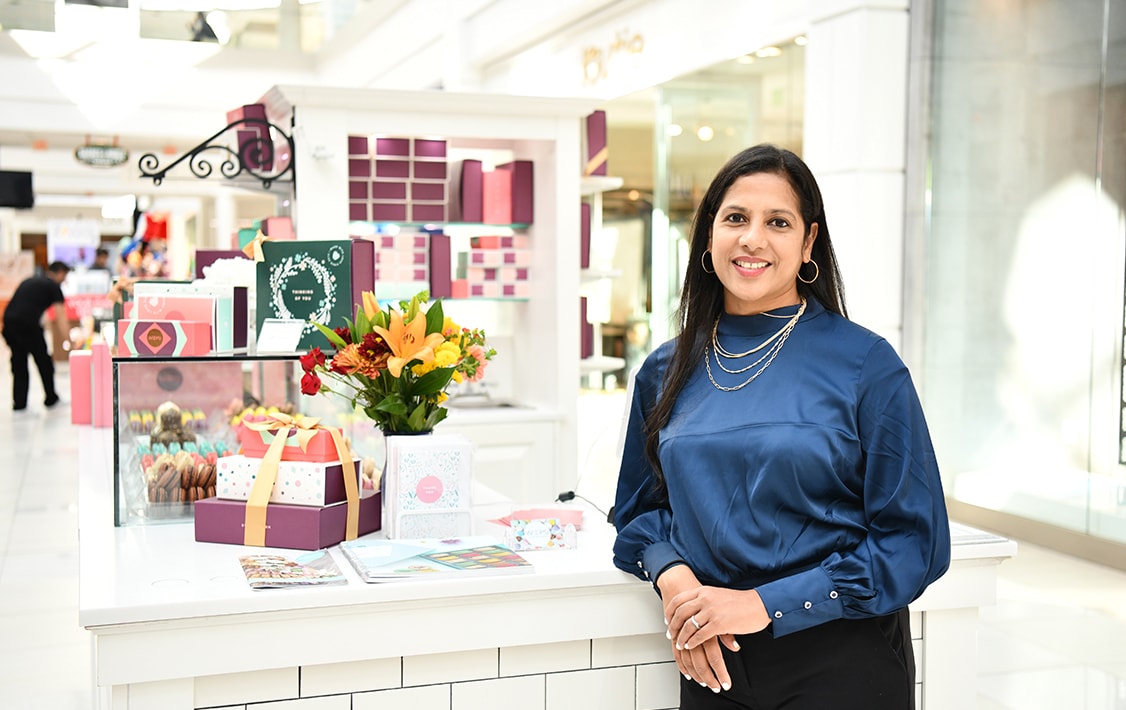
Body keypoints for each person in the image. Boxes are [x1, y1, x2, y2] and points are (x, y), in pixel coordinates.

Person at [612, 144, 951, 709]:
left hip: (841, 662)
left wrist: (764, 604)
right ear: (709, 236)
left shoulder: (866, 364)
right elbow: (639, 513)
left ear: (808, 242)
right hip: (711, 658)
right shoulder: (664, 371)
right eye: (736, 218)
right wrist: (676, 582)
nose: (753, 239)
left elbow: (914, 542)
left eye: (778, 222)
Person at [2, 261, 71, 411]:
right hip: (28, 325)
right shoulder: (53, 287)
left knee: (19, 363)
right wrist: (68, 342)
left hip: (9, 323)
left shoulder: (31, 280)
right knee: (44, 362)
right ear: (59, 273)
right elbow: (61, 317)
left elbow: (30, 308)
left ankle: (19, 403)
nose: (64, 280)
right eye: (64, 276)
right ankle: (51, 398)